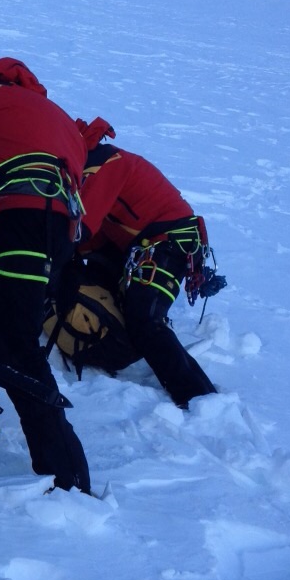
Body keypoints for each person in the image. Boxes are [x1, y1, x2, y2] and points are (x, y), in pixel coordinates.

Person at [0, 57, 91, 492]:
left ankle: (65, 471)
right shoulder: (56, 115)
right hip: (57, 225)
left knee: (8, 339)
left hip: (12, 214)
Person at [76, 116, 219, 407]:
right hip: (148, 244)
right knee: (137, 315)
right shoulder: (96, 167)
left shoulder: (106, 165)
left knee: (146, 322)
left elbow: (81, 227)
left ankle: (197, 398)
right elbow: (92, 238)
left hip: (166, 243)